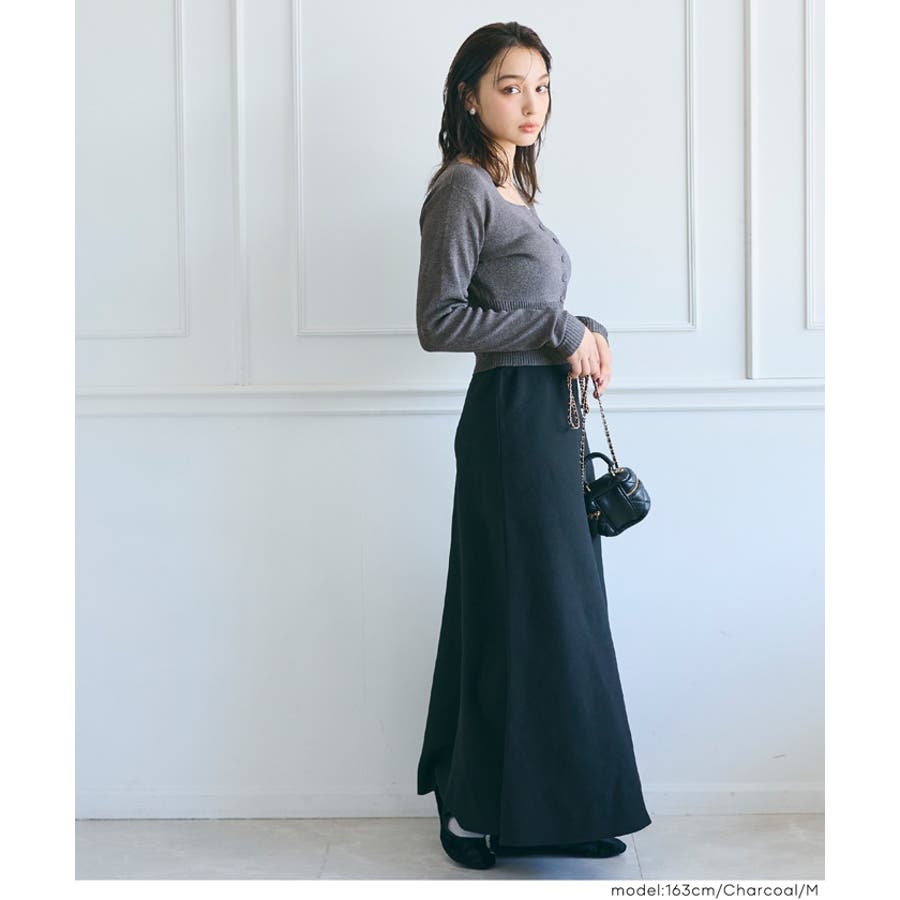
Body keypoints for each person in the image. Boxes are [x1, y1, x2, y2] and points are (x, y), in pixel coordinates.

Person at [414, 22, 652, 870]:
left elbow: (529, 310)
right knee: (510, 608)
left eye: (541, 86)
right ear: (470, 94)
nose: (530, 103)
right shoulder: (463, 188)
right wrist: (557, 329)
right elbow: (440, 322)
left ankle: (555, 810)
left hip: (550, 420)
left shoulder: (514, 188)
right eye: (510, 86)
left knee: (559, 614)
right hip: (509, 423)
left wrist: (585, 328)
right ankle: (471, 807)